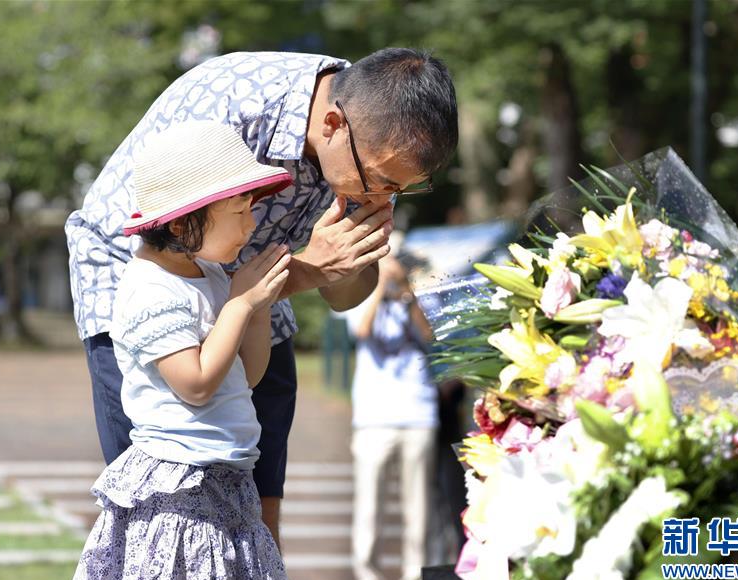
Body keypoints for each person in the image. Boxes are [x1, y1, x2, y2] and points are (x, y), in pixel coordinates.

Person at [65, 48, 458, 546]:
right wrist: (303, 271)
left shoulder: (372, 137)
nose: (383, 197)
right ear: (333, 124)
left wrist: (337, 263)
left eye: (402, 188)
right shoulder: (235, 108)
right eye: (380, 181)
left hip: (254, 284)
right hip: (143, 269)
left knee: (257, 496)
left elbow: (344, 296)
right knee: (161, 508)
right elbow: (170, 248)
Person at [71, 122, 294, 580]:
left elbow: (245, 377)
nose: (250, 226)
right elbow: (194, 383)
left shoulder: (210, 275)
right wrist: (237, 304)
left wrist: (255, 309)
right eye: (239, 212)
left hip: (228, 479)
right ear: (180, 222)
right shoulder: (151, 287)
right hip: (181, 491)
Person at [345, 243, 439, 580]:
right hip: (373, 418)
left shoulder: (416, 293)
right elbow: (362, 331)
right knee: (369, 506)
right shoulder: (357, 295)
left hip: (418, 413)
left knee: (418, 507)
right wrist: (378, 287)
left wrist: (406, 293)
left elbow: (428, 335)